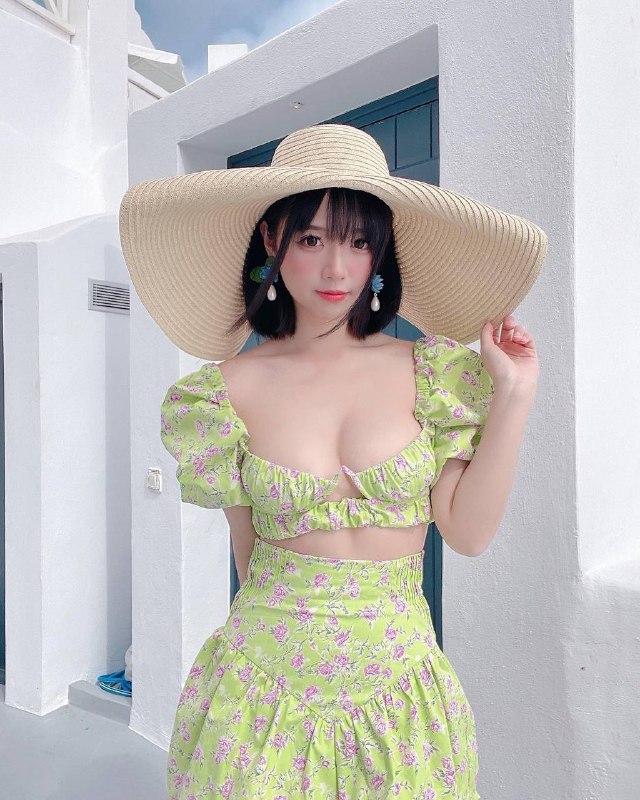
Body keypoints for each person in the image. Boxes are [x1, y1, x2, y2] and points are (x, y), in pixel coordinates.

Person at [119, 123, 547, 799]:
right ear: (271, 240)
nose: (337, 270)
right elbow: (249, 557)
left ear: (381, 250)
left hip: (399, 696)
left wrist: (514, 394)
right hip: (259, 695)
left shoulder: (434, 372)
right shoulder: (222, 393)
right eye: (312, 239)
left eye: (358, 241)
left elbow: (467, 534)